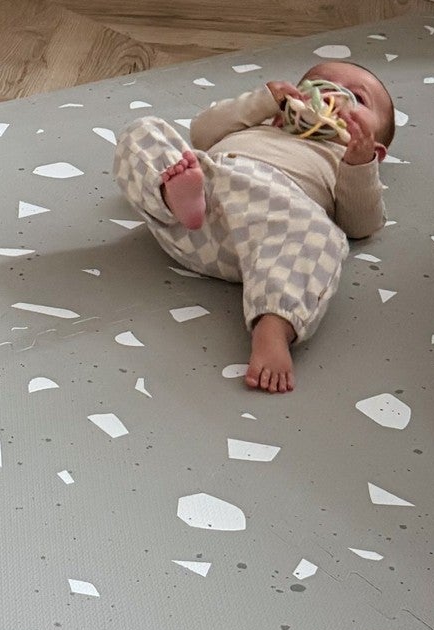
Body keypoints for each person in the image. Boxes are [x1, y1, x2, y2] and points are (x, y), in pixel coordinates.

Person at [111, 59, 394, 395]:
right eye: (318, 83)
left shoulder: (342, 158)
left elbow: (360, 224)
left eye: (357, 99)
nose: (333, 95)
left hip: (268, 230)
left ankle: (274, 325)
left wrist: (359, 165)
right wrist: (263, 101)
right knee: (144, 131)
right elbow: (201, 132)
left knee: (323, 235)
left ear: (377, 151)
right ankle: (172, 196)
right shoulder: (263, 123)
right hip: (203, 202)